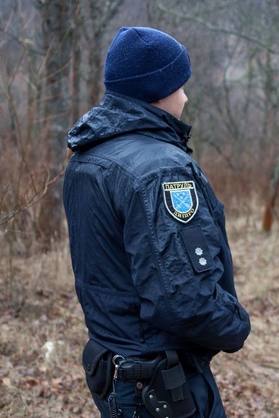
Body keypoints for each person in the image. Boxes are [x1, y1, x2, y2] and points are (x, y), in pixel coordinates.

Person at [63, 26, 251, 418]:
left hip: (116, 369)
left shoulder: (87, 155)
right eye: (180, 84)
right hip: (159, 385)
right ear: (157, 91)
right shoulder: (161, 170)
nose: (185, 95)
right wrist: (236, 326)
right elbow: (183, 298)